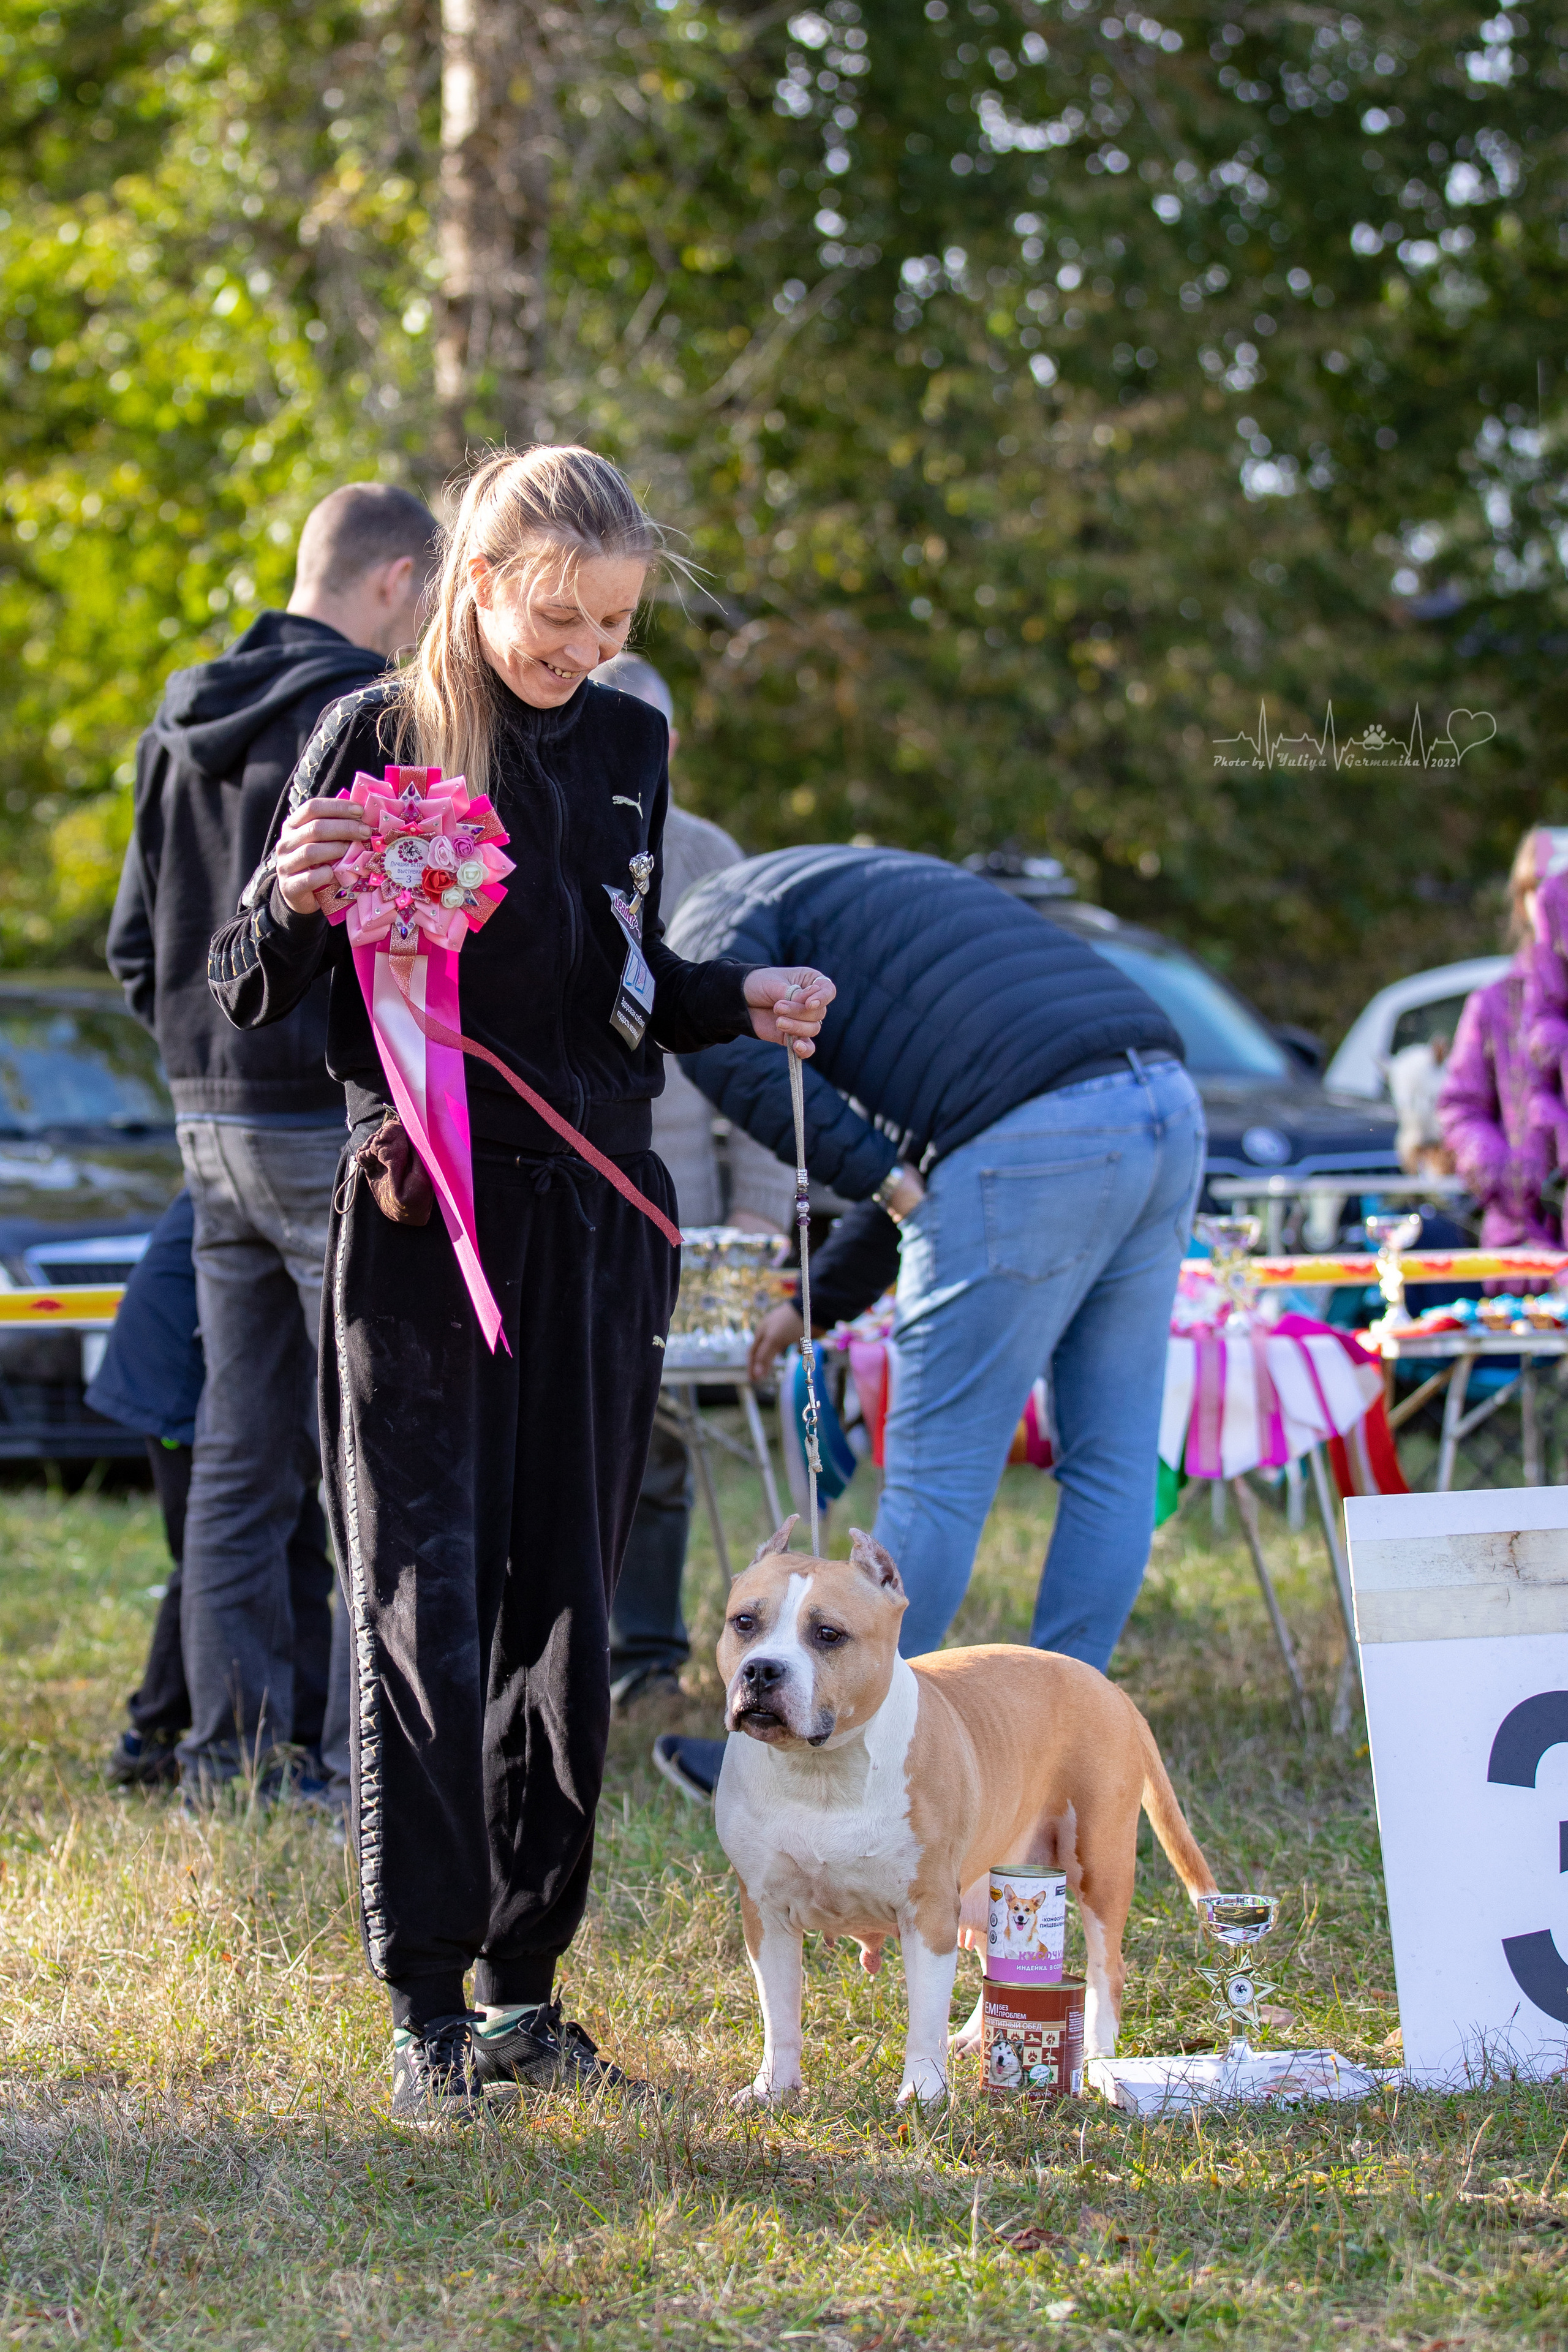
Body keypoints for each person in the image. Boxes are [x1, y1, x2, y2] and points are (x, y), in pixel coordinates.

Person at [206, 445, 834, 2125]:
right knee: (426, 1593)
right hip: (421, 1217)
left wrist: (733, 996)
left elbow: (612, 978)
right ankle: (423, 1999)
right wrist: (289, 893)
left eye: (616, 620)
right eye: (559, 617)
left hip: (598, 1214)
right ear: (476, 582)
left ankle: (527, 1990)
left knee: (568, 1588)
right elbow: (250, 980)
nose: (586, 652)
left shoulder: (631, 740)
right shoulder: (373, 734)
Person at [650, 844, 1202, 1803]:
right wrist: (812, 1295)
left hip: (1033, 1132)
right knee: (1112, 1460)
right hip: (1162, 1101)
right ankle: (1068, 1761)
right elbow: (940, 1141)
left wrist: (890, 1186)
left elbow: (754, 1069)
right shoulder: (846, 882)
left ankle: (851, 1750)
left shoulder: (704, 927)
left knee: (936, 1482)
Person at [107, 482, 440, 1796]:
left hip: (208, 1115)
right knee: (370, 1442)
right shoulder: (368, 715)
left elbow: (138, 944)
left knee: (241, 1449)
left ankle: (231, 1754)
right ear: (400, 579)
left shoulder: (173, 720)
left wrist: (200, 1056)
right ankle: (378, 1759)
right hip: (322, 1114)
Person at [592, 652, 792, 1709]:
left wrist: (763, 1198)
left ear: (667, 746)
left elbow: (759, 1041)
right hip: (571, 1180)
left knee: (667, 1443)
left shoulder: (710, 854)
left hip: (692, 1208)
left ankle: (646, 1654)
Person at [89, 1191, 340, 1793]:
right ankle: (153, 1737)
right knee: (222, 1556)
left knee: (290, 1551)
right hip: (186, 1376)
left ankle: (298, 1736)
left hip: (243, 1376)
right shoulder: (294, 1155)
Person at [1439, 826, 1565, 1247]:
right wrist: (1505, 1173)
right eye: (1538, 888)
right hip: (1522, 1242)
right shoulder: (1492, 1004)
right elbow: (1460, 1107)